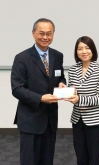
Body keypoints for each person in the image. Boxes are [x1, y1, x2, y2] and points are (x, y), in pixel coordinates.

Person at [11, 18, 66, 165]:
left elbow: (60, 76)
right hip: (30, 120)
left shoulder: (58, 56)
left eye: (49, 33)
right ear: (33, 33)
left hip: (50, 120)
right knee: (30, 161)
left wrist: (62, 83)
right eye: (41, 33)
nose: (45, 37)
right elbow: (17, 89)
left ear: (53, 34)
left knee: (47, 160)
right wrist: (40, 98)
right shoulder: (22, 58)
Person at [65, 36, 99, 165]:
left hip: (96, 121)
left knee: (95, 159)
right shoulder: (73, 69)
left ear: (93, 50)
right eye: (80, 49)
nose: (84, 51)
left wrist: (79, 99)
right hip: (77, 120)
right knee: (81, 158)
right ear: (76, 52)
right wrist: (67, 92)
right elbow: (73, 90)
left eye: (87, 48)